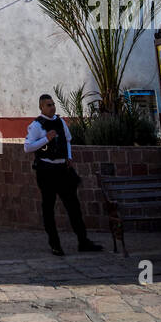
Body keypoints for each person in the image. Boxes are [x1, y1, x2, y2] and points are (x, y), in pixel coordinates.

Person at [24, 93, 103, 256]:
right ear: (41, 107)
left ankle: (83, 241)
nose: (52, 107)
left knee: (74, 206)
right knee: (48, 207)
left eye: (53, 104)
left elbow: (67, 140)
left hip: (62, 169)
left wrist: (69, 157)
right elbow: (28, 147)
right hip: (46, 170)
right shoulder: (36, 125)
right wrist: (46, 139)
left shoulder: (60, 122)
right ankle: (55, 244)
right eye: (48, 105)